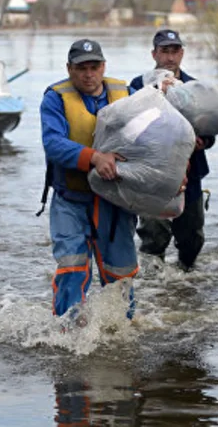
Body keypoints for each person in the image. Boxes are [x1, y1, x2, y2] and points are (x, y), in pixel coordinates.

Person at [40, 39, 138, 324]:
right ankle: (67, 333)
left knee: (120, 276)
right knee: (72, 268)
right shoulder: (55, 98)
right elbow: (53, 143)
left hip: (115, 202)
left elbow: (151, 138)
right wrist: (94, 157)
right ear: (69, 69)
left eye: (94, 67)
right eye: (81, 67)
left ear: (103, 67)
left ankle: (121, 332)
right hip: (71, 199)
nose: (88, 74)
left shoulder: (127, 93)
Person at [130, 29, 216, 271]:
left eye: (174, 51)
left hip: (191, 173)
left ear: (182, 53)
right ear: (154, 53)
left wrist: (204, 141)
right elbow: (126, 125)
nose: (170, 57)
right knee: (153, 235)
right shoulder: (139, 85)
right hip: (152, 173)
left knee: (192, 238)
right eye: (164, 51)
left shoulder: (195, 87)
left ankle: (185, 281)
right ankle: (156, 288)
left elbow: (211, 129)